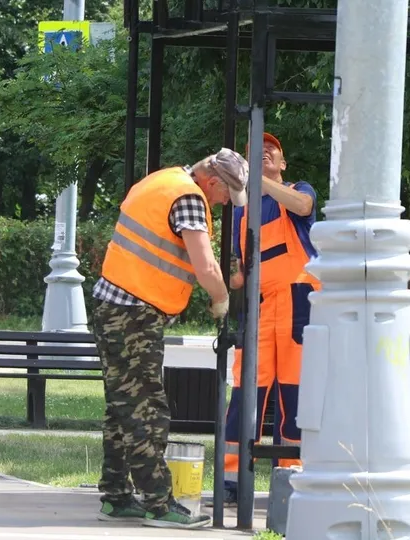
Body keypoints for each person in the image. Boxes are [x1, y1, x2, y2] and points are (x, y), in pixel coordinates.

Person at [91, 149, 248, 529]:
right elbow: (203, 263)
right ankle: (158, 504)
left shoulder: (163, 180)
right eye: (227, 194)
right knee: (147, 406)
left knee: (123, 405)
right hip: (133, 312)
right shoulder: (190, 198)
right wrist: (221, 298)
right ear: (212, 182)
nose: (225, 202)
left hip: (114, 305)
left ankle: (116, 496)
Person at [224, 132, 318, 505]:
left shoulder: (299, 190)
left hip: (298, 302)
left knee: (295, 392)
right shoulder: (241, 211)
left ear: (282, 163)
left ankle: (292, 476)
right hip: (259, 306)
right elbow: (238, 267)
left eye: (271, 151)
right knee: (247, 389)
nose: (264, 153)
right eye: (255, 153)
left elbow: (304, 206)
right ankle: (232, 480)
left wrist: (258, 179)